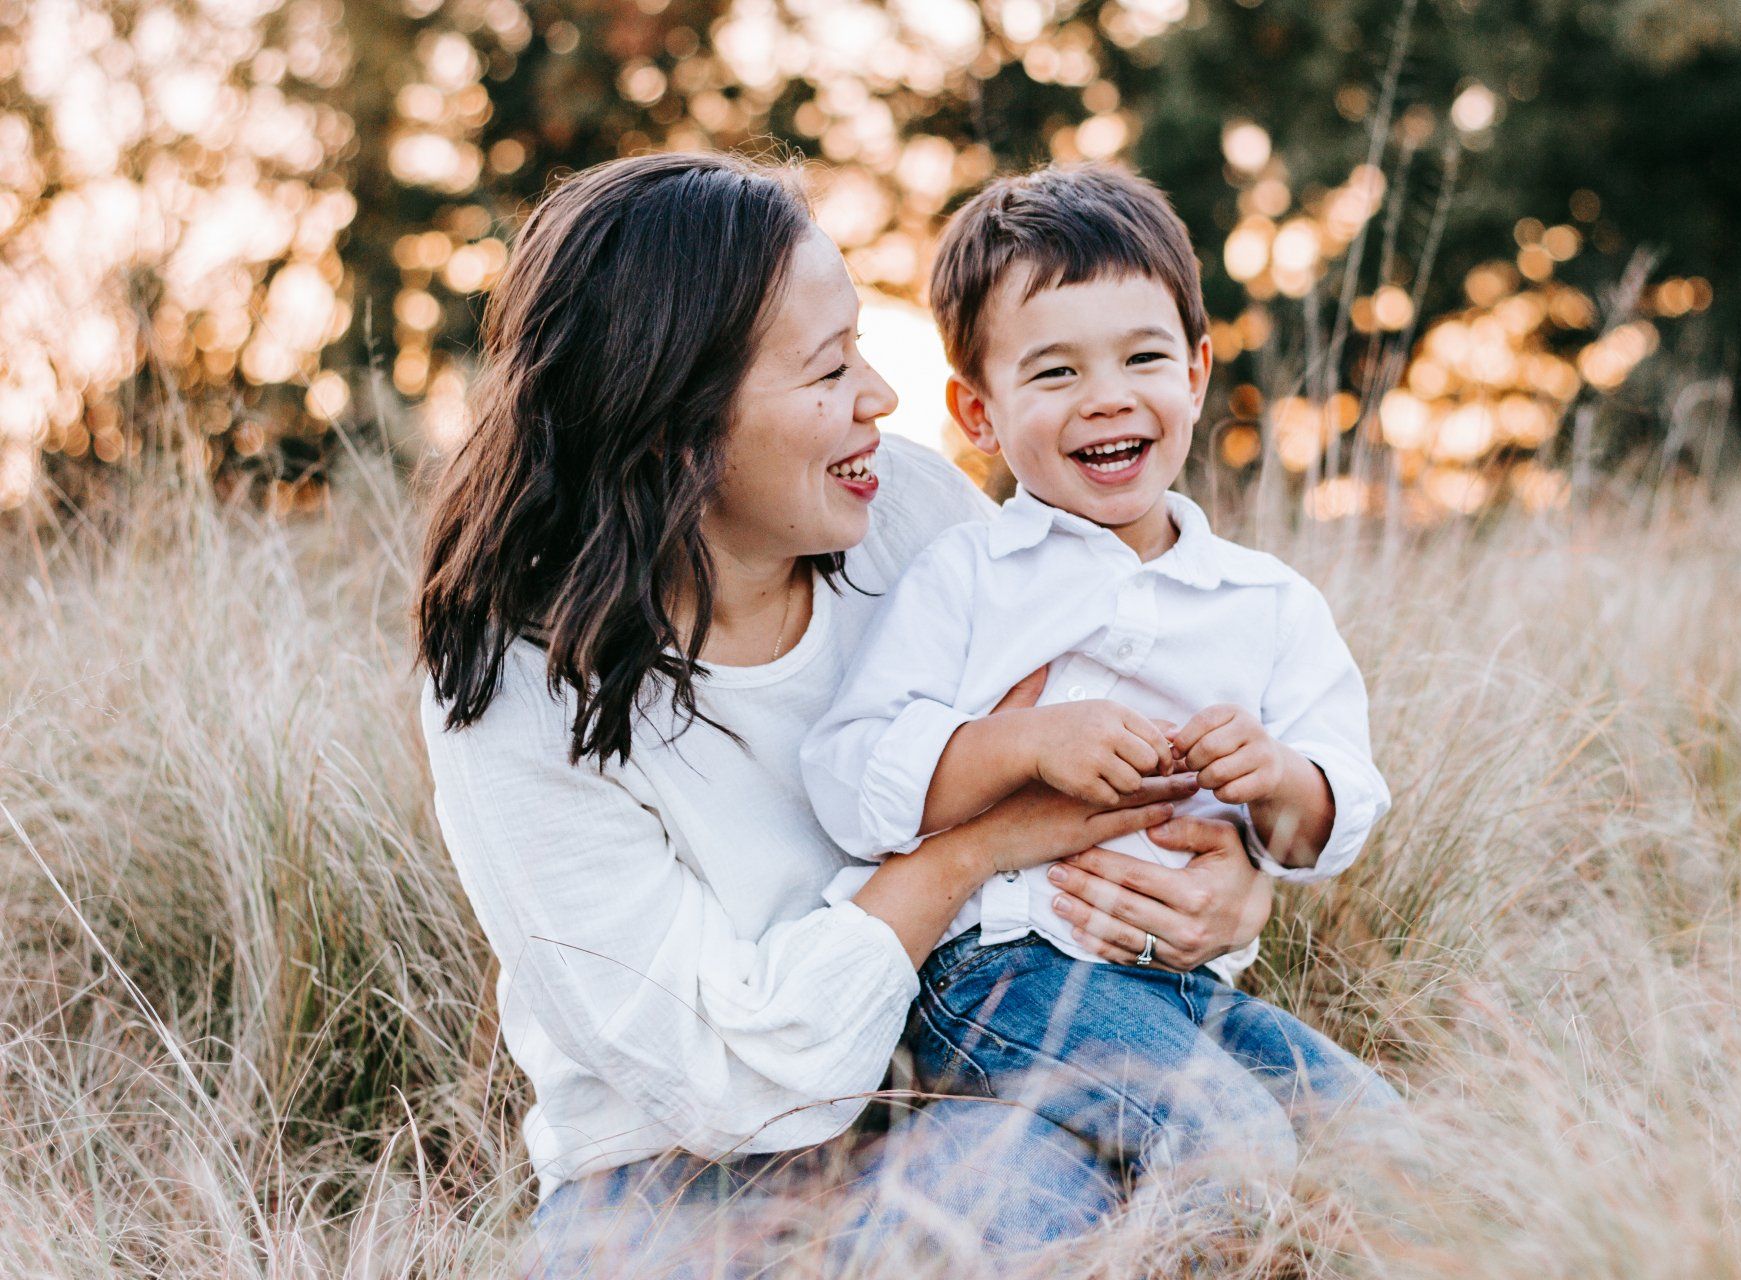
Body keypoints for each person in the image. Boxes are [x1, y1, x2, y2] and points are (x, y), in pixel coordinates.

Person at [413, 152, 1293, 1277]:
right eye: (830, 370)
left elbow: (1102, 769)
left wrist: (1228, 884)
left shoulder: (908, 510)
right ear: (679, 421)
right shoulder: (515, 687)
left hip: (961, 1084)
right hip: (675, 1179)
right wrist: (977, 844)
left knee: (1143, 1181)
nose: (881, 397)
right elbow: (718, 1082)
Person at [800, 164, 1408, 1211]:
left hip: (1181, 981)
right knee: (1227, 1143)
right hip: (1000, 973)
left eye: (1143, 358)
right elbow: (850, 772)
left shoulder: (1265, 600)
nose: (1110, 396)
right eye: (1056, 374)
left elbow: (1330, 821)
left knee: (1386, 1142)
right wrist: (1025, 744)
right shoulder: (966, 574)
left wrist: (1277, 777)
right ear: (978, 413)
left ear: (1198, 372)